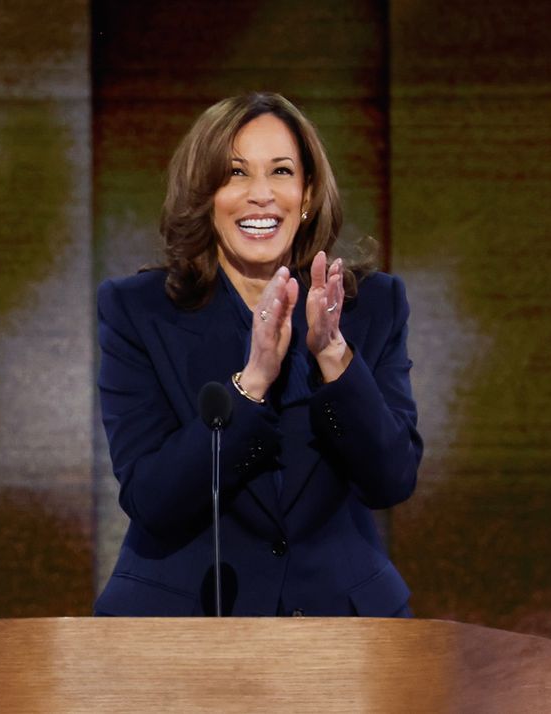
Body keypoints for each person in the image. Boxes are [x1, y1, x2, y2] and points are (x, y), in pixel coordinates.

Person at [95, 92, 422, 617]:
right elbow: (152, 499)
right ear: (205, 195)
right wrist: (252, 383)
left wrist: (333, 355)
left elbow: (391, 480)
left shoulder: (372, 306)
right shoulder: (139, 311)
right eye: (235, 174)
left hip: (341, 624)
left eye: (282, 172)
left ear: (308, 193)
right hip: (183, 621)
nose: (261, 195)